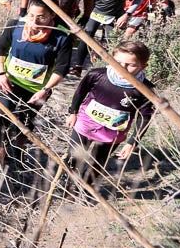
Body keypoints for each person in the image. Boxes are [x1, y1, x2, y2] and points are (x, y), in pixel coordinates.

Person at [0, 0, 72, 165]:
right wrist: (0, 73)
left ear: (52, 14)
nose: (35, 21)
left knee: (25, 121)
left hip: (37, 91)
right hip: (8, 83)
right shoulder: (16, 25)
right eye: (31, 15)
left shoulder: (61, 37)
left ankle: (18, 152)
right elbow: (0, 47)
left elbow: (61, 69)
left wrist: (46, 90)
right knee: (1, 119)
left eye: (41, 17)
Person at [65, 41, 155, 184]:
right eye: (118, 62)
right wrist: (73, 112)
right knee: (73, 157)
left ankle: (84, 188)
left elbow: (144, 117)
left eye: (131, 65)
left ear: (143, 67)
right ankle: (68, 185)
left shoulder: (145, 90)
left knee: (97, 164)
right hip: (86, 124)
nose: (122, 68)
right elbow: (80, 92)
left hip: (112, 133)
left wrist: (132, 142)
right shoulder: (97, 74)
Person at [70, 0, 141, 74]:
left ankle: (109, 69)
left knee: (112, 41)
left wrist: (127, 15)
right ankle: (77, 66)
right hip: (95, 13)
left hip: (115, 16)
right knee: (86, 36)